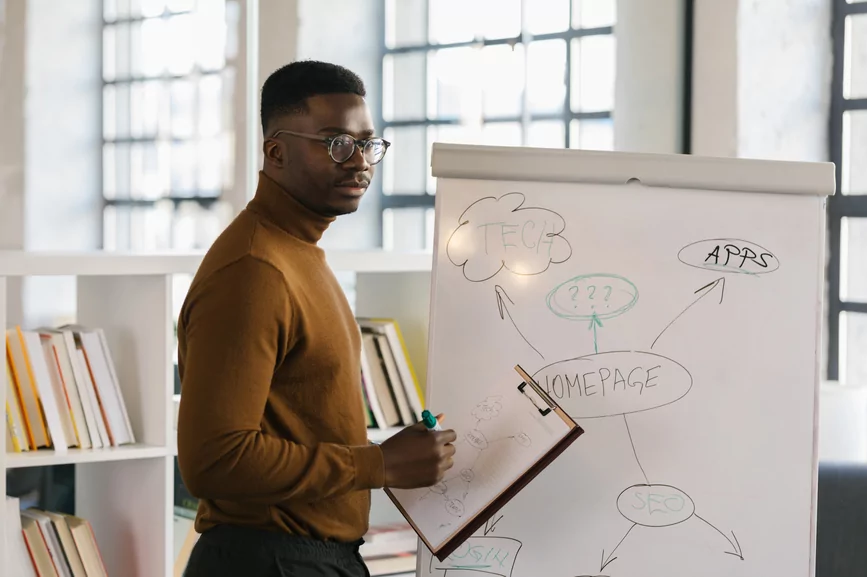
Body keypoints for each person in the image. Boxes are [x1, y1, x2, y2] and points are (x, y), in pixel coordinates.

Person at [176, 60, 457, 577]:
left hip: (306, 558)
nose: (359, 162)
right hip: (267, 560)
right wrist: (379, 464)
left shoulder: (298, 251)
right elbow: (214, 461)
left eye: (366, 143)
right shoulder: (254, 270)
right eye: (335, 142)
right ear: (275, 151)